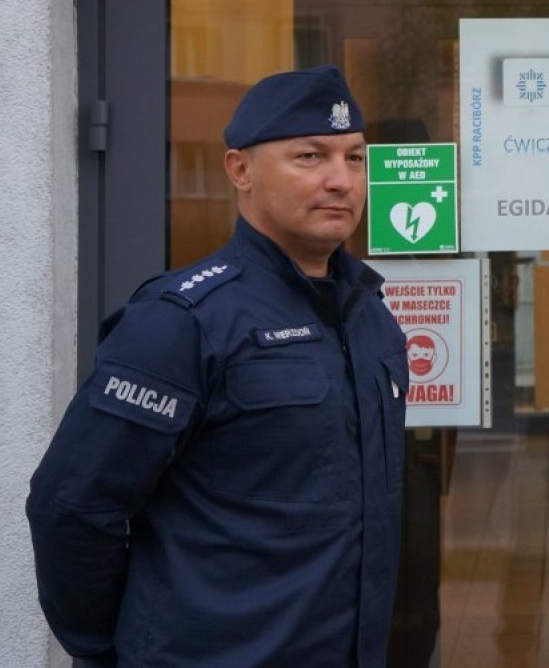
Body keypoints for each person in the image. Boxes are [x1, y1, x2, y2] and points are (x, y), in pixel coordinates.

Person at [27, 65, 410, 667]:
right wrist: (109, 650)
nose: (341, 180)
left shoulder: (370, 317)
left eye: (355, 158)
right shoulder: (184, 322)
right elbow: (71, 507)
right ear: (240, 170)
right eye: (310, 156)